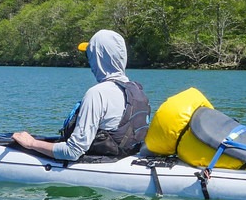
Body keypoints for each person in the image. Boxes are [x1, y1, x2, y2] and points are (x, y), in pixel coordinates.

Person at [12, 29, 151, 161]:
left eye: (89, 55)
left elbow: (73, 151)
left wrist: (31, 143)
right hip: (128, 157)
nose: (89, 62)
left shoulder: (97, 94)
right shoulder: (138, 91)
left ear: (98, 57)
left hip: (103, 163)